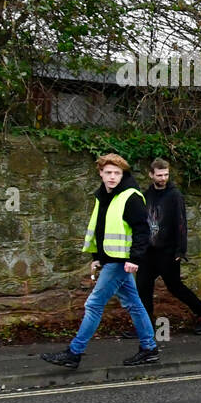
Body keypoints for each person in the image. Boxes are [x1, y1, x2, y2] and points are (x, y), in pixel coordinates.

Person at [42, 154, 162, 370]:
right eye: (108, 173)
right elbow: (100, 229)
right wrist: (96, 257)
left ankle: (74, 353)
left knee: (94, 304)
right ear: (100, 173)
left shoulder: (130, 197)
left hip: (120, 262)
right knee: (134, 305)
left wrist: (135, 259)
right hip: (111, 260)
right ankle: (149, 348)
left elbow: (142, 231)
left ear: (122, 174)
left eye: (117, 173)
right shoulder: (104, 195)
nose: (112, 177)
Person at [136, 158, 201, 334]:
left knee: (175, 286)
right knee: (142, 285)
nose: (163, 178)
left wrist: (180, 249)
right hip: (149, 251)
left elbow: (181, 222)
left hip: (168, 250)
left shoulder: (174, 195)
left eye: (166, 174)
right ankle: (146, 326)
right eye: (159, 175)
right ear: (151, 175)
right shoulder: (147, 195)